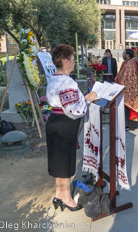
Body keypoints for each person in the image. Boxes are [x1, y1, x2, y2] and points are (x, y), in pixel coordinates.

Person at [46, 44, 97, 211]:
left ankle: (59, 194)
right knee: (66, 160)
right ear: (66, 61)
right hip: (65, 124)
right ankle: (67, 198)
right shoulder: (67, 82)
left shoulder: (53, 78)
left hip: (54, 121)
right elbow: (75, 110)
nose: (74, 63)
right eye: (73, 60)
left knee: (57, 160)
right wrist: (88, 98)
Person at [115, 49, 138, 130]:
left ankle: (130, 125)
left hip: (130, 90)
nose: (122, 54)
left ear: (127, 55)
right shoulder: (129, 63)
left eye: (124, 53)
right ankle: (128, 125)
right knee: (127, 108)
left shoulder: (130, 64)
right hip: (130, 89)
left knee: (129, 107)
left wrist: (118, 84)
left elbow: (126, 78)